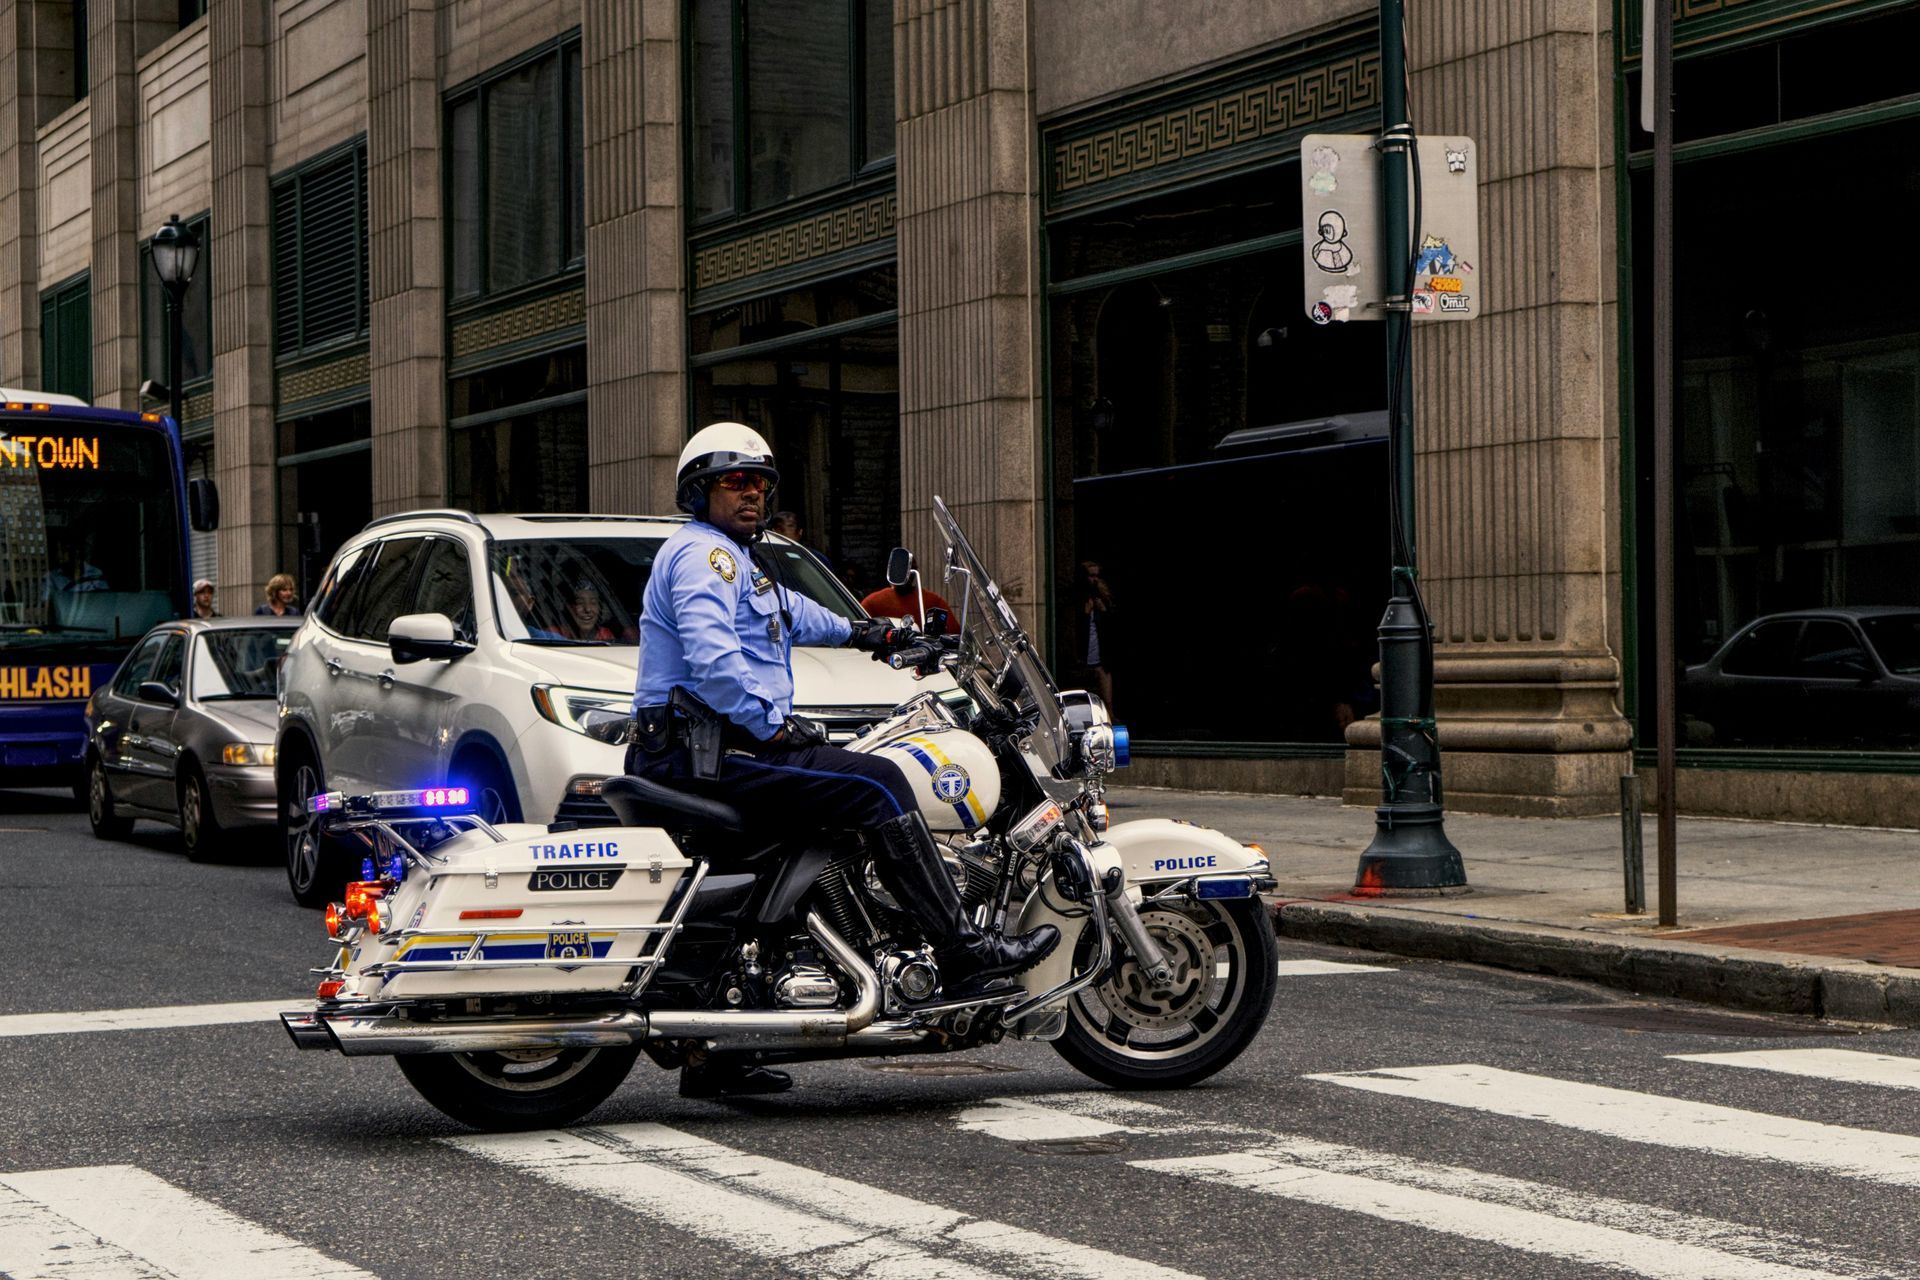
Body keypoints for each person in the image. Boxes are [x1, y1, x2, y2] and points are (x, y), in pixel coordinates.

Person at [626, 421, 1060, 1098]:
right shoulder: (702, 558)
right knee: (881, 784)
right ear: (699, 490)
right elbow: (713, 665)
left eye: (759, 483)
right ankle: (963, 952)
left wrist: (875, 632)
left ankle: (725, 1046)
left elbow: (796, 616)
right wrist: (773, 729)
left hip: (708, 748)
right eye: (733, 481)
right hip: (703, 753)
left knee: (830, 813)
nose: (749, 494)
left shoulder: (744, 561)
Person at [859, 559, 960, 634]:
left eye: (910, 570)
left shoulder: (931, 601)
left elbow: (954, 633)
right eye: (901, 570)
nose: (906, 575)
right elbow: (859, 630)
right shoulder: (873, 602)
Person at [1074, 560, 1117, 712]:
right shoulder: (1079, 596)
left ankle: (1109, 710)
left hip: (1099, 642)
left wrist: (1103, 609)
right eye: (1091, 576)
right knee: (1088, 674)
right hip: (1085, 643)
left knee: (1102, 671)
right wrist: (1085, 613)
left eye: (1097, 576)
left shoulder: (1102, 594)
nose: (1095, 579)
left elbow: (1112, 618)